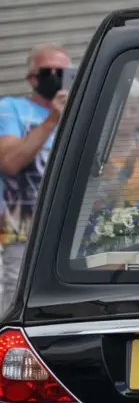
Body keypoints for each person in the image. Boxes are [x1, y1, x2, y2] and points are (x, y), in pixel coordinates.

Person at [0, 43, 70, 311]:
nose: (55, 75)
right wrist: (52, 119)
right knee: (16, 303)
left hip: (67, 230)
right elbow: (10, 162)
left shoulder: (76, 112)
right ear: (31, 78)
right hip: (22, 228)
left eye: (62, 71)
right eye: (47, 71)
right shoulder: (11, 108)